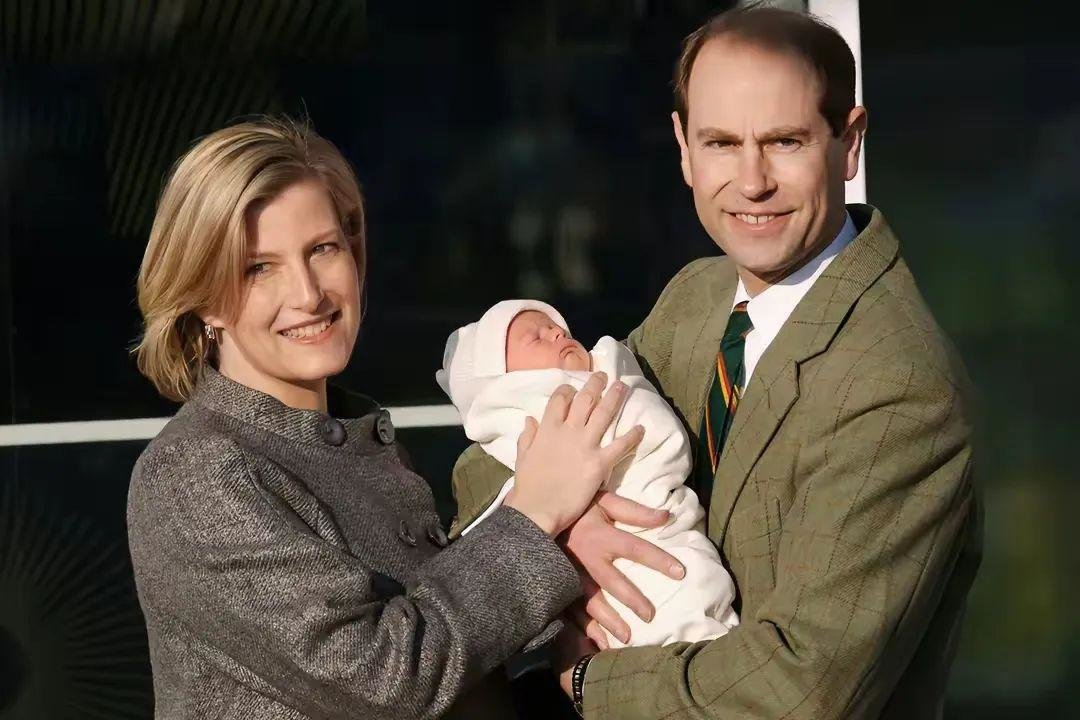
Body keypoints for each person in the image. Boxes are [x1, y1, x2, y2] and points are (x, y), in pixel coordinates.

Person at [450, 7, 982, 718]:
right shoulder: (697, 298)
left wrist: (584, 681)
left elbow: (798, 693)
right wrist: (564, 530)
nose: (751, 181)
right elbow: (501, 434)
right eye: (721, 143)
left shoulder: (897, 385)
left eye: (785, 141)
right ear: (683, 148)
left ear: (849, 142)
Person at [126, 116, 655, 720]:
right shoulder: (195, 475)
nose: (308, 294)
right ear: (204, 299)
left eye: (322, 249)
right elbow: (386, 678)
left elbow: (455, 652)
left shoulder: (353, 441)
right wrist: (536, 518)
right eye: (258, 268)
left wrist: (566, 565)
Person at [437, 299, 739, 649]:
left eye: (557, 328)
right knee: (665, 604)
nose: (556, 333)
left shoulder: (616, 369)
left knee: (695, 586)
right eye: (536, 338)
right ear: (501, 380)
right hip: (625, 560)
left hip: (667, 520)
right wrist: (562, 525)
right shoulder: (520, 417)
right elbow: (501, 505)